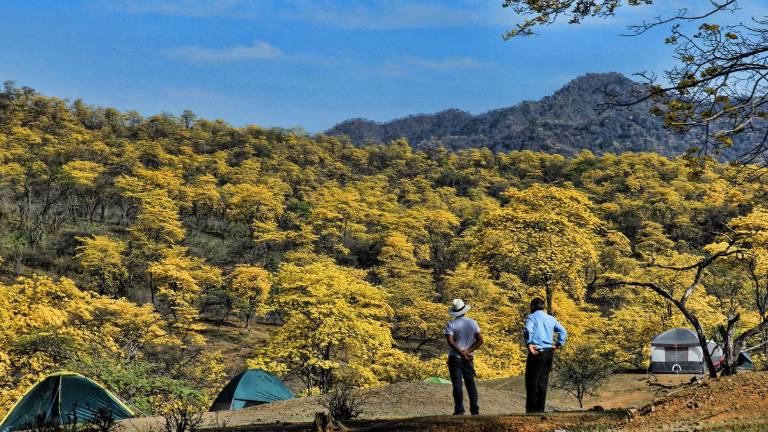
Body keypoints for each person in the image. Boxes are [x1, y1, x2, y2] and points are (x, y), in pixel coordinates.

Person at [524, 297, 567, 414]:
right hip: (548, 353)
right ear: (543, 308)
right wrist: (557, 344)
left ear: (532, 307)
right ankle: (540, 409)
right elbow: (563, 332)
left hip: (537, 351)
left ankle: (531, 410)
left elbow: (527, 331)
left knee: (532, 381)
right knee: (543, 381)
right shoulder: (551, 319)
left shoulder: (531, 317)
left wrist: (529, 344)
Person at [444, 298, 484, 416]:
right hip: (469, 358)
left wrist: (461, 353)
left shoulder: (451, 324)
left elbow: (450, 342)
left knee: (457, 384)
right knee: (470, 383)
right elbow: (480, 340)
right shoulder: (473, 323)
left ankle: (459, 410)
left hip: (455, 357)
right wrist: (468, 351)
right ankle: (475, 410)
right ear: (464, 310)